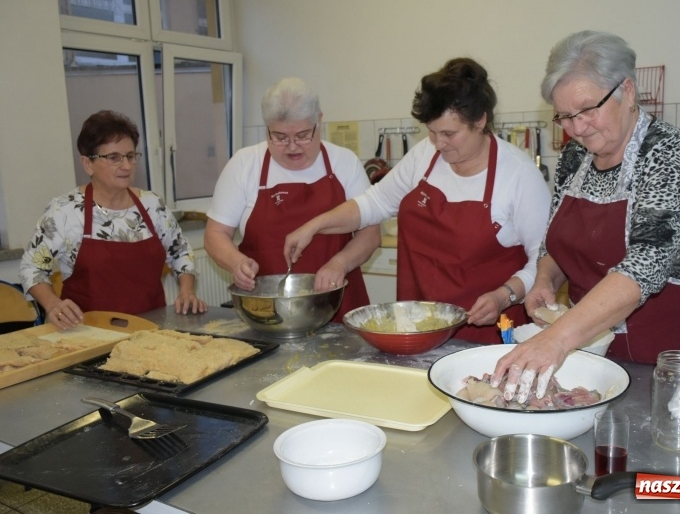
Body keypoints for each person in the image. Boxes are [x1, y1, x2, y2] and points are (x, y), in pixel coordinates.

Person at [492, 30, 680, 402]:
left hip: (678, 349)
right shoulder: (575, 157)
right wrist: (545, 279)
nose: (577, 128)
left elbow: (644, 266)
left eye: (588, 110)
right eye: (565, 117)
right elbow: (556, 241)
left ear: (626, 91)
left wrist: (555, 339)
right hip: (594, 342)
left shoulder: (671, 154)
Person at [285, 58, 551, 344]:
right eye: (432, 132)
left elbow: (544, 258)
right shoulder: (425, 155)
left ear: (480, 121)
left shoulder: (518, 175)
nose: (438, 143)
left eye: (449, 134)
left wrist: (504, 295)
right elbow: (375, 203)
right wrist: (314, 226)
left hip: (489, 337)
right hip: (418, 330)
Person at [204, 77, 378, 322]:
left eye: (303, 135)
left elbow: (370, 233)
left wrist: (340, 263)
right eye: (280, 137)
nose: (292, 146)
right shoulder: (244, 164)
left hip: (338, 304)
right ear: (266, 128)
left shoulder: (344, 162)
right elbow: (215, 234)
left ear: (319, 121)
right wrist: (236, 262)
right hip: (269, 312)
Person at [20, 110, 207, 329]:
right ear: (88, 164)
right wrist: (53, 304)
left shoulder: (152, 205)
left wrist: (186, 291)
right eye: (114, 158)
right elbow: (31, 268)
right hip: (89, 333)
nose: (126, 166)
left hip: (151, 329)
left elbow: (181, 253)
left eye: (130, 156)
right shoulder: (64, 212)